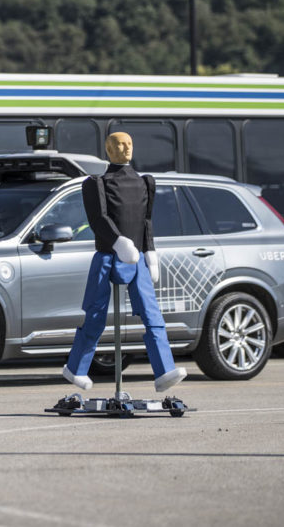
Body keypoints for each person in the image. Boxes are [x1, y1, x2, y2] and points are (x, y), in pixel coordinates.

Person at [62, 131, 187, 392]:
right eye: (119, 144)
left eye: (129, 143)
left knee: (152, 315)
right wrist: (119, 242)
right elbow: (99, 219)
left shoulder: (145, 182)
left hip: (137, 259)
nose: (126, 148)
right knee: (95, 316)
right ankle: (76, 369)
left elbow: (146, 222)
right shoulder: (96, 183)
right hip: (108, 256)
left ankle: (165, 371)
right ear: (109, 149)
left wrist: (150, 253)